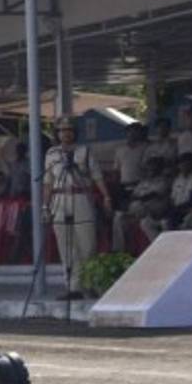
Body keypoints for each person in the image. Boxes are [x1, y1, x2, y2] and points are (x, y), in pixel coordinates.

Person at [43, 115, 112, 301]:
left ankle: (91, 284)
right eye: (62, 130)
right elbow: (47, 183)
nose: (66, 133)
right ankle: (73, 287)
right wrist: (45, 206)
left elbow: (97, 176)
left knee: (87, 244)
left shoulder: (84, 151)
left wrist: (106, 196)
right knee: (66, 246)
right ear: (57, 133)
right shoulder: (51, 154)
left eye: (69, 130)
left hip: (81, 196)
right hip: (59, 198)